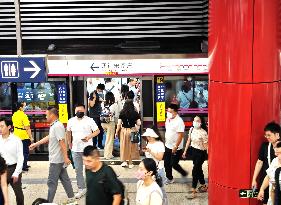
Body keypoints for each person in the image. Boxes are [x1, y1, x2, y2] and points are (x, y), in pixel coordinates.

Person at [29, 107, 74, 203]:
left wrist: (66, 157)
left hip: (56, 160)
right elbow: (49, 137)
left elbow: (62, 142)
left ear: (52, 115)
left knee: (51, 182)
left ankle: (48, 203)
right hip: (58, 159)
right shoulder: (55, 125)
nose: (45, 117)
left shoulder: (57, 126)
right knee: (65, 179)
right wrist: (36, 144)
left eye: (46, 115)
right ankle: (72, 198)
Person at [66, 104, 100, 199]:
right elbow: (68, 132)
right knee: (78, 170)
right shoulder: (71, 121)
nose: (79, 112)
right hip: (75, 149)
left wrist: (89, 137)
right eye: (77, 111)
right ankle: (82, 188)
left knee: (91, 169)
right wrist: (69, 143)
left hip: (88, 149)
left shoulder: (89, 120)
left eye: (81, 111)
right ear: (75, 111)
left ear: (84, 111)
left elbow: (97, 131)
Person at [252, 121, 281, 205]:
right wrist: (254, 179)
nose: (267, 137)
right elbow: (259, 162)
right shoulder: (265, 146)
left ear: (277, 134)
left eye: (269, 135)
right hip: (267, 180)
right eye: (266, 135)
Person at [182, 115, 208, 199]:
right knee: (198, 169)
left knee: (195, 170)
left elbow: (206, 146)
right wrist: (185, 151)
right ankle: (204, 185)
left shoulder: (203, 132)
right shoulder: (191, 129)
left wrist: (209, 157)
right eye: (194, 120)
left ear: (201, 122)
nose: (195, 122)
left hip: (201, 153)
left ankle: (193, 190)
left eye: (197, 120)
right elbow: (189, 140)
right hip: (193, 151)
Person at [0, 118, 24, 205]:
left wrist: (16, 173)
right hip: (1, 170)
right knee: (1, 194)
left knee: (19, 194)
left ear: (9, 127)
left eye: (2, 126)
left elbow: (20, 157)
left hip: (13, 168)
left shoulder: (16, 140)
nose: (0, 128)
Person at [142, 127, 168, 204]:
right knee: (150, 190)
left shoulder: (160, 144)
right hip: (148, 171)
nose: (148, 138)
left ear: (154, 136)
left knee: (161, 191)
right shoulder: (148, 143)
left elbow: (160, 157)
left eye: (149, 136)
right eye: (147, 136)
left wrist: (150, 151)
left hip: (158, 170)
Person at [163, 104, 188, 184]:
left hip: (176, 147)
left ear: (176, 112)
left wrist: (175, 146)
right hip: (167, 145)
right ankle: (169, 178)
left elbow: (181, 135)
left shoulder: (179, 121)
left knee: (174, 164)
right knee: (166, 163)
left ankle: (184, 173)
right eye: (168, 111)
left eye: (170, 112)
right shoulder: (168, 119)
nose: (168, 113)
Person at [116, 100, 141, 169]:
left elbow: (119, 124)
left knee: (124, 146)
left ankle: (124, 161)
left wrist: (116, 132)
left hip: (124, 131)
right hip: (132, 130)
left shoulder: (122, 112)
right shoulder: (135, 113)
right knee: (132, 147)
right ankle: (130, 163)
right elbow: (139, 123)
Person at [12, 102, 34, 171]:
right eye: (24, 106)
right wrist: (31, 137)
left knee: (18, 152)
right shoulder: (23, 115)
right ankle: (24, 166)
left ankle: (21, 165)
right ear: (20, 108)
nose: (25, 107)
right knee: (25, 152)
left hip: (16, 135)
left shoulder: (14, 115)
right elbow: (27, 128)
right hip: (23, 135)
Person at [101, 92, 119, 159]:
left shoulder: (104, 104)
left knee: (107, 139)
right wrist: (117, 124)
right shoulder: (114, 105)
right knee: (109, 139)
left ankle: (107, 153)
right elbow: (116, 116)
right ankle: (108, 155)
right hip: (110, 123)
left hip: (103, 122)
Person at [89, 83, 105, 149]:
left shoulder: (98, 94)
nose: (101, 91)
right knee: (95, 130)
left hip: (99, 115)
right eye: (100, 90)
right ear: (97, 88)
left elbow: (101, 100)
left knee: (101, 130)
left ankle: (100, 144)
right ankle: (94, 145)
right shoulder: (93, 94)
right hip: (93, 115)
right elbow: (91, 104)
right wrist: (95, 98)